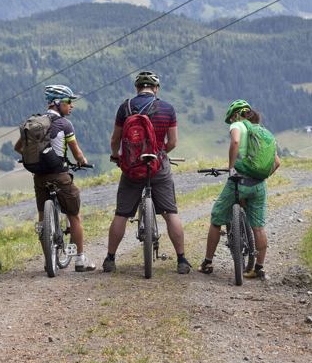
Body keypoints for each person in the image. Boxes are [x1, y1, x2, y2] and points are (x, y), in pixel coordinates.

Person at [103, 70, 191, 274]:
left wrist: (117, 156)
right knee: (171, 213)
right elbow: (173, 142)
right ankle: (181, 260)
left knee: (122, 214)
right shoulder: (167, 109)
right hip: (157, 165)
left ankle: (110, 258)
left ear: (137, 88)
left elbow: (115, 140)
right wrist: (160, 153)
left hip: (132, 167)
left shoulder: (125, 108)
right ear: (156, 89)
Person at [14, 84, 96, 272]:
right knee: (74, 215)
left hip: (40, 177)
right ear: (57, 103)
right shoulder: (65, 124)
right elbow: (77, 153)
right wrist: (83, 162)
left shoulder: (33, 123)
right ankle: (80, 259)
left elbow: (18, 148)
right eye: (68, 102)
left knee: (43, 220)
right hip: (60, 176)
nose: (71, 106)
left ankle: (47, 259)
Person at [199, 99, 281, 280]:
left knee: (216, 218)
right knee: (258, 227)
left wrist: (231, 168)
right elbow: (277, 163)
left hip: (239, 182)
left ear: (236, 114)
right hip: (259, 184)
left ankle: (208, 262)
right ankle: (259, 268)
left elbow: (235, 142)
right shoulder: (263, 132)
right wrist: (260, 178)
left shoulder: (238, 125)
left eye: (231, 118)